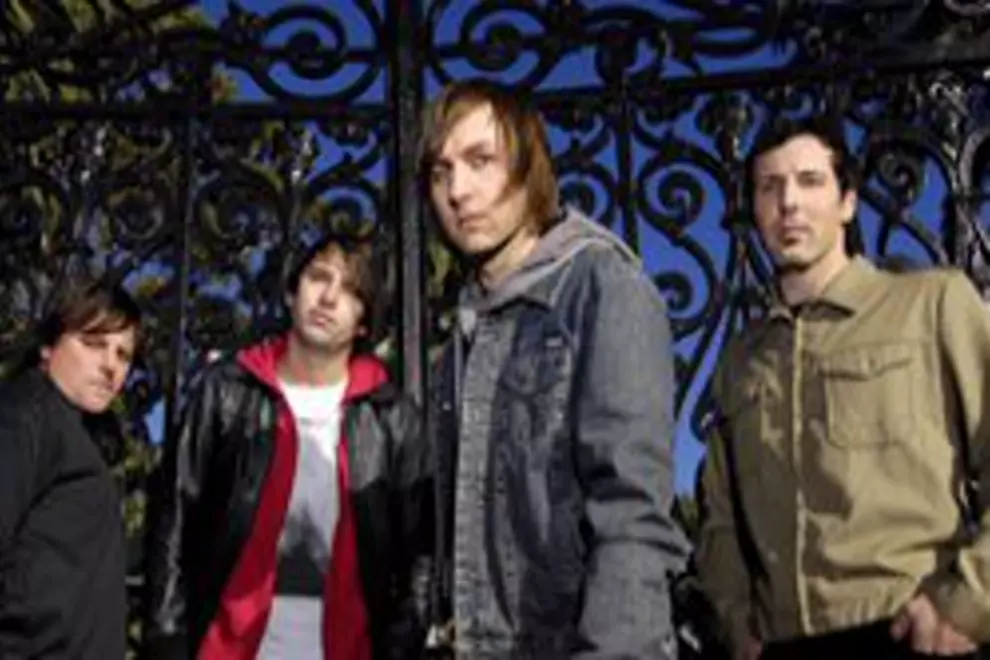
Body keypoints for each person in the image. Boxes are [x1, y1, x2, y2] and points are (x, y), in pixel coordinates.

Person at [696, 113, 990, 659]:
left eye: (810, 181)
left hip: (912, 634)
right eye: (769, 186)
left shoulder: (932, 305)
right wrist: (736, 622)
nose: (789, 203)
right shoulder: (742, 359)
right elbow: (721, 516)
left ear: (847, 202)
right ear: (754, 210)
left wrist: (972, 602)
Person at [420, 78, 687, 659]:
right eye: (441, 173)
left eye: (481, 161)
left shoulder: (601, 286)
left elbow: (632, 511)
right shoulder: (461, 334)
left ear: (530, 166)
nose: (458, 191)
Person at [143, 230, 432, 660]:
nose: (328, 298)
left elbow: (419, 557)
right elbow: (174, 515)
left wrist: (401, 646)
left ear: (364, 322)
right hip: (226, 649)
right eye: (319, 277)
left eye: (351, 290)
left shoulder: (392, 417)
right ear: (293, 293)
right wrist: (167, 640)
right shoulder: (227, 391)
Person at [0, 278, 141, 659]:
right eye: (93, 343)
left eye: (123, 355)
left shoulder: (72, 431)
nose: (110, 365)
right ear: (48, 346)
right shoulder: (24, 416)